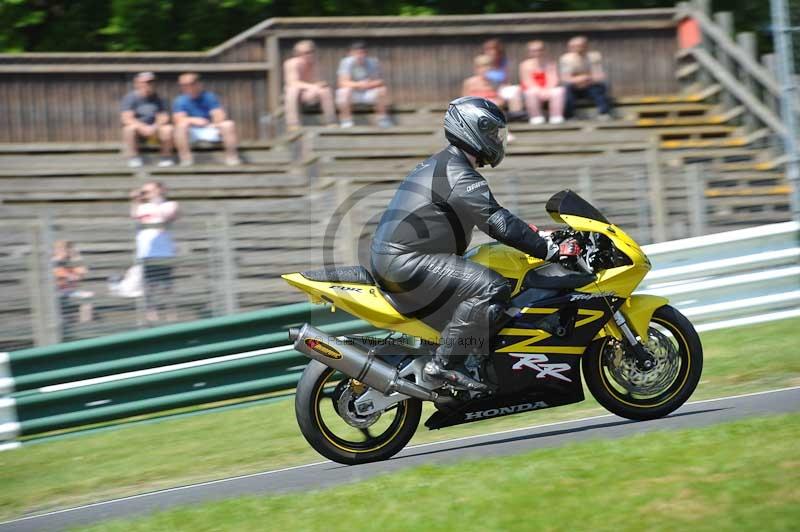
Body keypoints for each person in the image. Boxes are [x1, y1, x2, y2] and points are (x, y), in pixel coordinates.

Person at [369, 97, 580, 391]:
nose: (497, 140)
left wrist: (536, 234)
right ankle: (441, 367)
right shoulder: (459, 173)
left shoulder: (448, 163)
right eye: (492, 133)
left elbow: (495, 216)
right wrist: (550, 249)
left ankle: (469, 361)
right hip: (408, 262)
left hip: (401, 260)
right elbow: (498, 222)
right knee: (492, 287)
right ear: (472, 129)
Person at [130, 181, 179, 323]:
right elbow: (134, 215)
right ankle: (152, 317)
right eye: (144, 191)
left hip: (164, 253)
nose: (145, 194)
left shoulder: (169, 205)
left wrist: (156, 202)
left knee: (167, 288)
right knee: (149, 288)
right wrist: (135, 200)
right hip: (146, 253)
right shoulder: (142, 207)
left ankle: (172, 317)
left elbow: (172, 215)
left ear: (160, 190)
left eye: (148, 191)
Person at [172, 72, 241, 166]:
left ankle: (232, 158)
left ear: (198, 84)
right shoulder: (180, 100)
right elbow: (178, 119)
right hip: (191, 132)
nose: (187, 87)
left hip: (210, 128)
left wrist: (213, 123)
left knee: (228, 124)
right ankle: (186, 160)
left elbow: (219, 116)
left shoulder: (209, 97)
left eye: (190, 84)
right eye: (183, 85)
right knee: (180, 126)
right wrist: (193, 120)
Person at [120, 72, 174, 168]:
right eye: (144, 82)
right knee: (128, 129)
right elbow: (126, 118)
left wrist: (154, 127)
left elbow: (164, 117)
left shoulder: (160, 99)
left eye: (150, 82)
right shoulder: (130, 98)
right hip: (138, 131)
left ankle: (165, 158)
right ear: (137, 84)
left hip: (155, 130)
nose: (147, 85)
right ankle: (134, 158)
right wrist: (142, 127)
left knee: (168, 129)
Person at [336, 41, 393, 128]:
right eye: (356, 53)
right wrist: (358, 84)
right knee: (343, 92)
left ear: (366, 53)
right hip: (353, 93)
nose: (359, 55)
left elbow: (379, 81)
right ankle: (346, 121)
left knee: (382, 90)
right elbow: (342, 83)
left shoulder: (373, 62)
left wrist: (368, 84)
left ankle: (382, 119)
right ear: (351, 53)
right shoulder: (346, 62)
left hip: (368, 92)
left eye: (362, 53)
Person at [284, 40, 337, 131]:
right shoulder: (291, 64)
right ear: (297, 54)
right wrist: (313, 86)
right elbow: (292, 82)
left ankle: (331, 122)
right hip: (298, 94)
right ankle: (293, 124)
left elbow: (320, 82)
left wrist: (317, 86)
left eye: (311, 52)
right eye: (305, 53)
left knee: (325, 90)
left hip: (311, 93)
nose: (309, 55)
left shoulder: (316, 64)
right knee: (292, 90)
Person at [559, 36, 612, 120]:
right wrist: (581, 79)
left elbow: (600, 75)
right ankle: (569, 116)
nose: (577, 48)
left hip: (590, 85)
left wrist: (586, 78)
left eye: (580, 45)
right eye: (574, 46)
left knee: (601, 87)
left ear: (586, 46)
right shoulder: (566, 59)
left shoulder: (594, 57)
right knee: (566, 89)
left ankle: (604, 113)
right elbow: (565, 78)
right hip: (575, 87)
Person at [52, 240, 94, 337]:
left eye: (68, 249)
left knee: (88, 297)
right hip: (56, 291)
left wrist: (76, 257)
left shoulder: (71, 260)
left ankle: (85, 325)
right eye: (64, 249)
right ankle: (61, 325)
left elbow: (83, 273)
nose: (66, 251)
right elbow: (58, 275)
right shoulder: (54, 260)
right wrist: (70, 275)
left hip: (70, 290)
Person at [519, 40, 565, 125]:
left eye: (540, 50)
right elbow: (527, 81)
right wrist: (539, 91)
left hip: (547, 88)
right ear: (529, 52)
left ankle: (556, 117)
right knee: (530, 93)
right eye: (534, 50)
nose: (537, 52)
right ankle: (536, 117)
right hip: (533, 88)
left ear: (544, 51)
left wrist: (547, 90)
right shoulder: (525, 65)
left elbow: (553, 78)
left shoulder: (551, 63)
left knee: (558, 91)